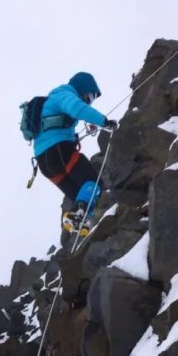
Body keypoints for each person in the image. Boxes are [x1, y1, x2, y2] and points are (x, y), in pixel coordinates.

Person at [32, 71, 117, 239]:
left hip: (45, 163)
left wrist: (75, 135)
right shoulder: (64, 94)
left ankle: (79, 223)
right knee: (93, 181)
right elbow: (77, 108)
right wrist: (103, 121)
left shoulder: (53, 102)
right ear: (83, 89)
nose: (90, 102)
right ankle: (80, 217)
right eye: (91, 96)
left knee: (82, 193)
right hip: (58, 151)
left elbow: (54, 128)